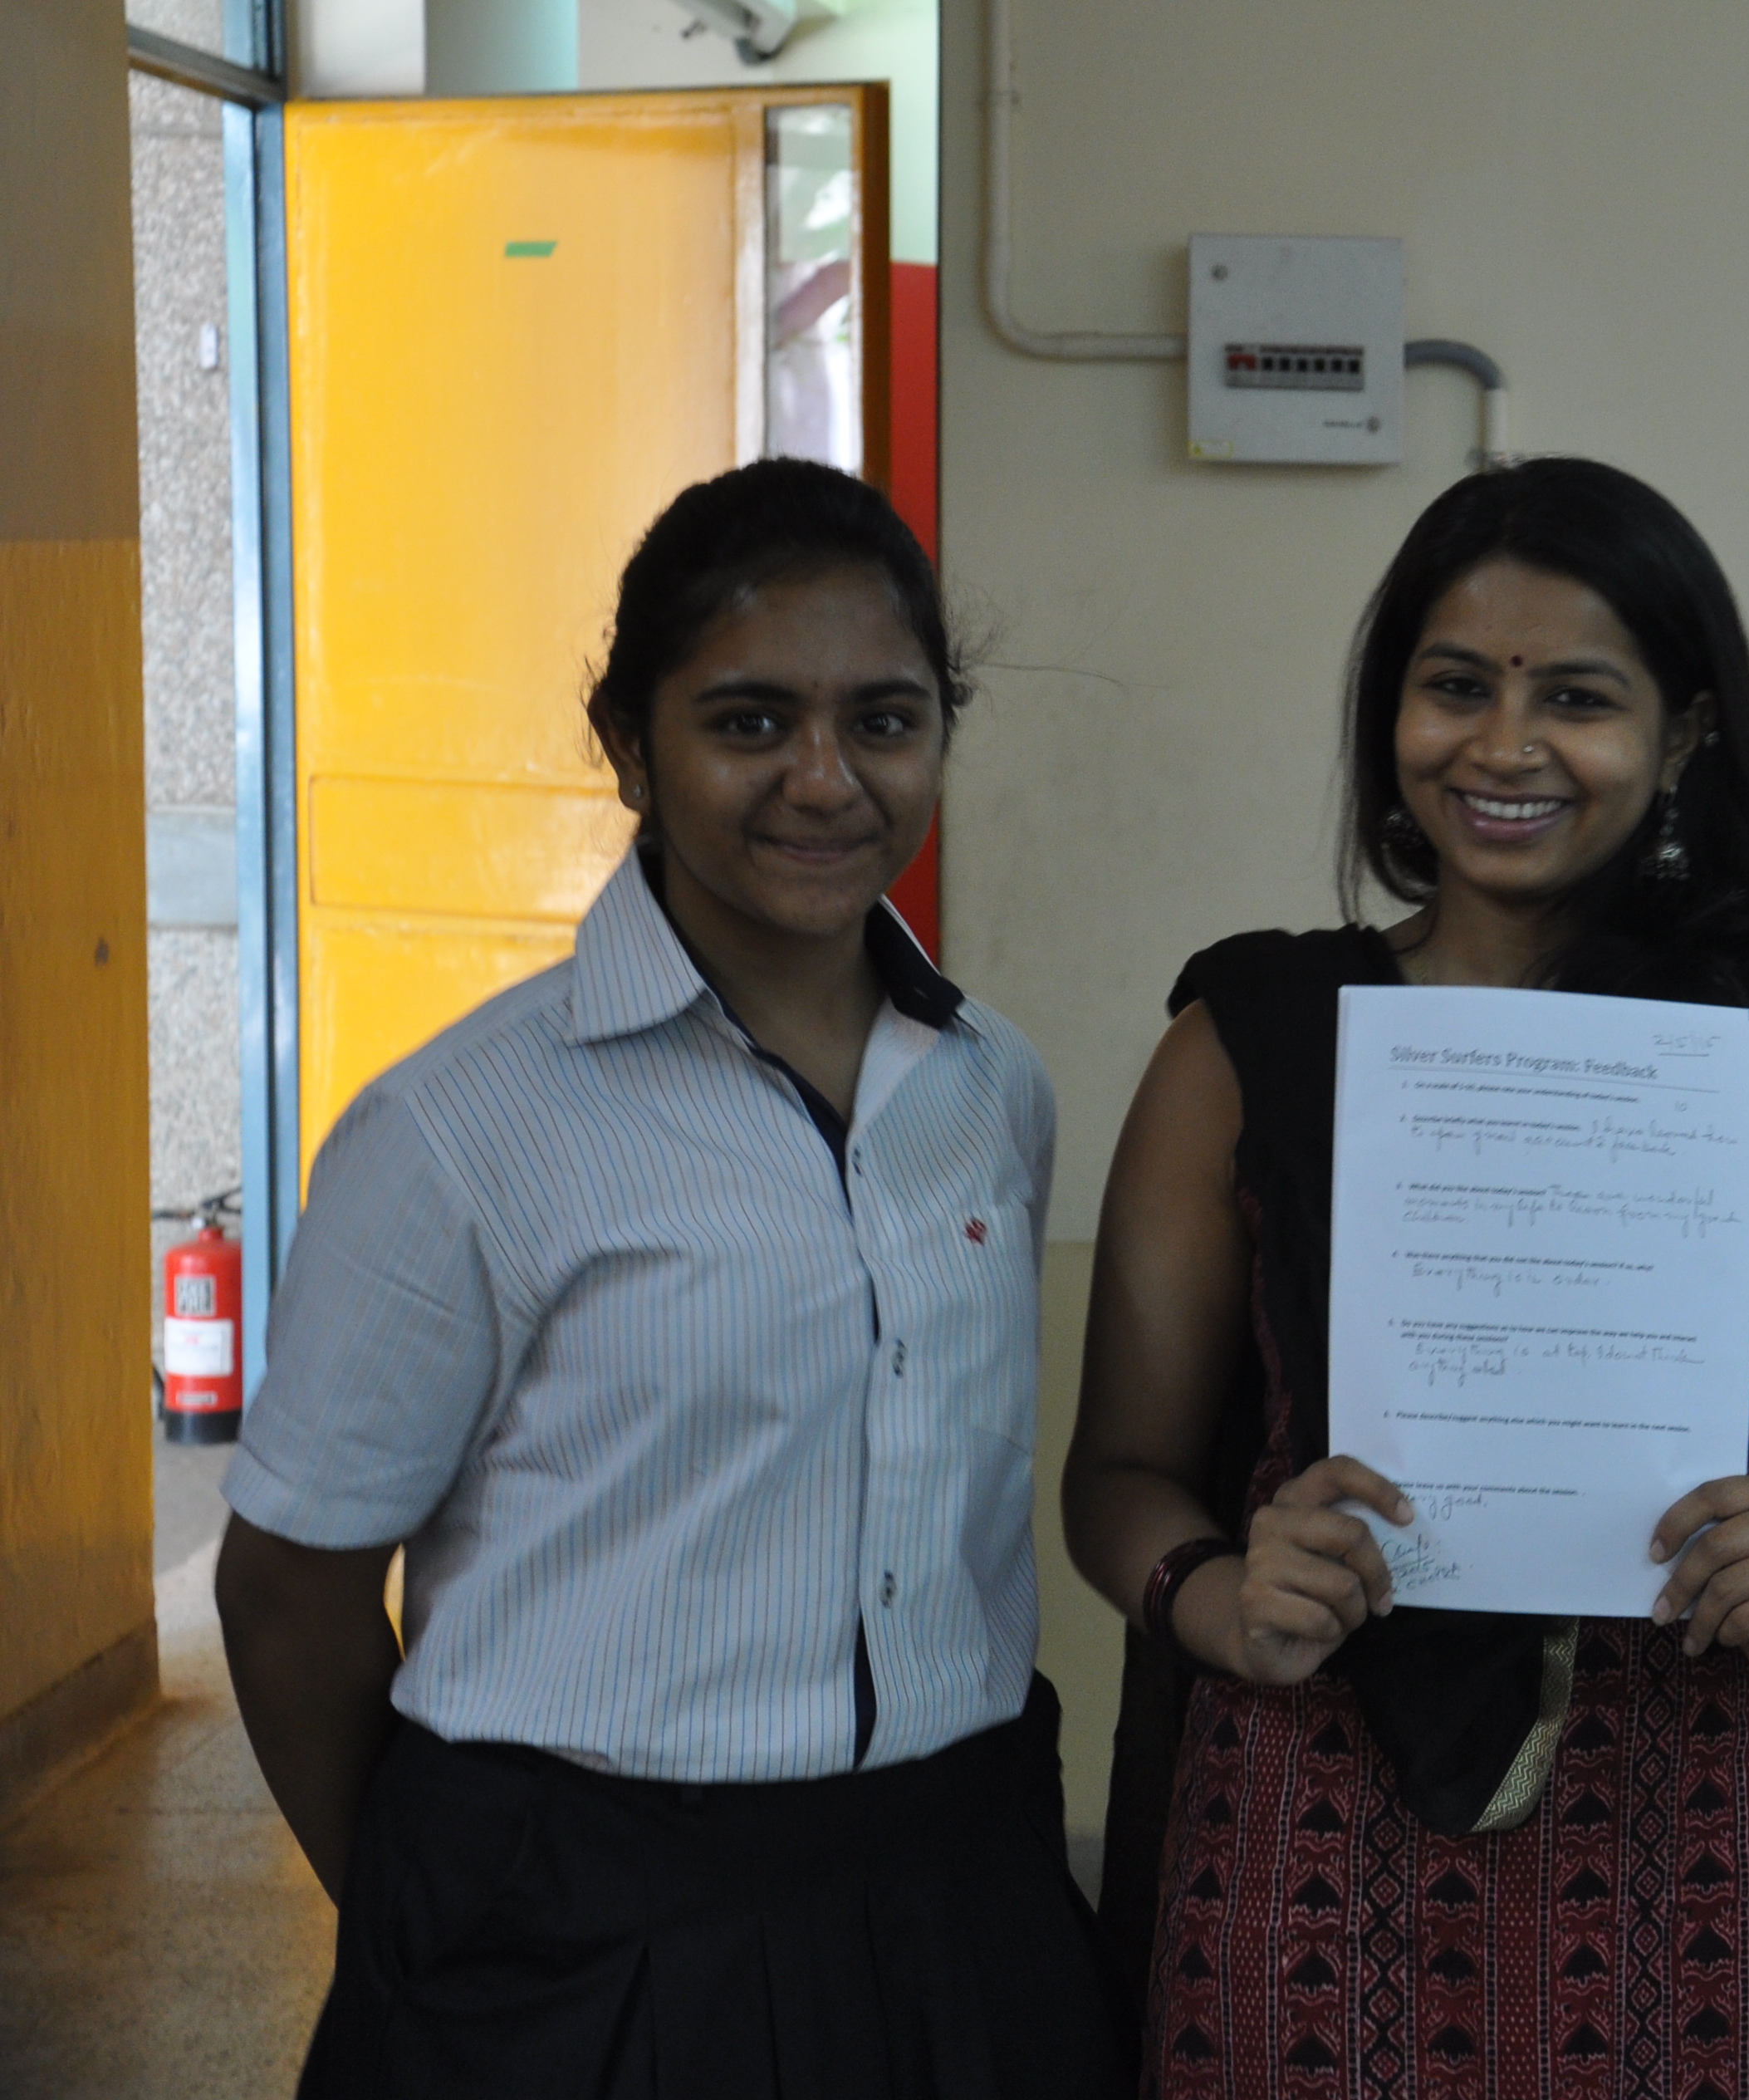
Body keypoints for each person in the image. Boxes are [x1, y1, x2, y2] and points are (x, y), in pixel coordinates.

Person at [216, 458, 1119, 2096]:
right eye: (750, 720)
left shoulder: (995, 1089)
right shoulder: (462, 1126)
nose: (826, 780)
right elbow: (288, 1595)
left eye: (886, 719)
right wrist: (455, 1923)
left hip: (957, 1887)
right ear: (629, 743)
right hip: (581, 1925)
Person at [1063, 456, 1749, 2099]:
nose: (1503, 744)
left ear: (1685, 732)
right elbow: (1115, 1470)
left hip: (1717, 1812)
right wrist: (1218, 1595)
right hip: (1315, 1806)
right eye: (1455, 685)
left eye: (1578, 697)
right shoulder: (1244, 1040)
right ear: (1387, 717)